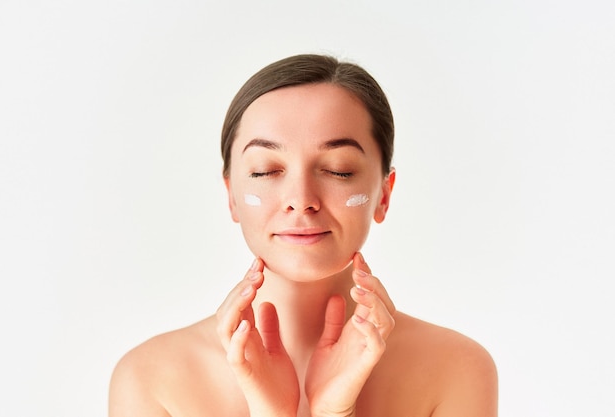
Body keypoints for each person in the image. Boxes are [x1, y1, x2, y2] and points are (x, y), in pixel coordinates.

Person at [108, 54, 498, 417]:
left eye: (338, 169)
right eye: (264, 171)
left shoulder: (454, 369)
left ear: (384, 194)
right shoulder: (152, 379)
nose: (301, 200)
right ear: (231, 196)